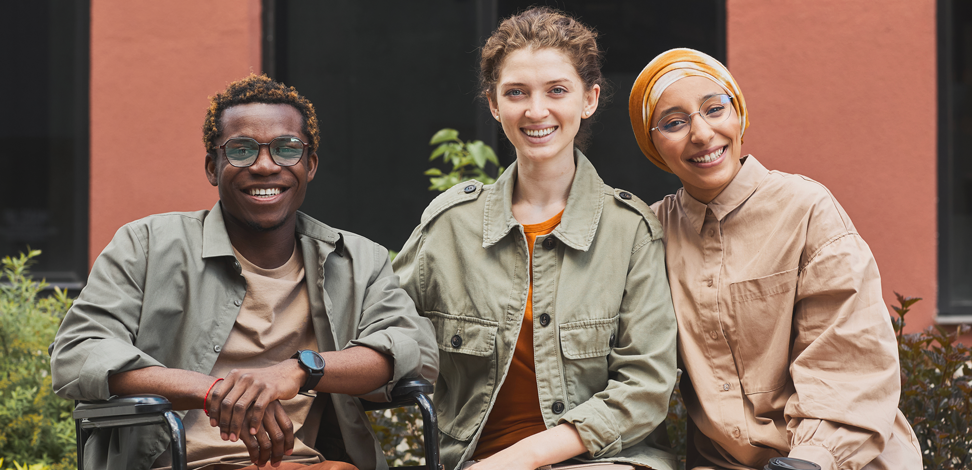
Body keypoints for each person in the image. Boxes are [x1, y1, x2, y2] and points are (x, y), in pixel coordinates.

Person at [50, 74, 438, 470]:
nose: (266, 165)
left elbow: (412, 350)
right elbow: (79, 351)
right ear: (212, 167)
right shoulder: (146, 245)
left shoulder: (357, 259)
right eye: (241, 150)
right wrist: (216, 391)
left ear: (310, 165)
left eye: (287, 149)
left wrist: (300, 370)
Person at [394, 7, 677, 470]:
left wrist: (521, 459)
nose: (536, 110)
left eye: (557, 91)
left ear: (589, 100)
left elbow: (645, 386)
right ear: (493, 103)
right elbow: (384, 329)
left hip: (603, 463)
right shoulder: (449, 225)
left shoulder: (631, 231)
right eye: (516, 92)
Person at [627, 48, 923, 470]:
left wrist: (812, 459)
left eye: (715, 108)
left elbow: (847, 360)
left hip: (836, 460)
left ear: (739, 115)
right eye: (674, 122)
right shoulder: (649, 233)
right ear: (652, 143)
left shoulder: (806, 209)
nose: (702, 133)